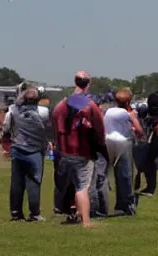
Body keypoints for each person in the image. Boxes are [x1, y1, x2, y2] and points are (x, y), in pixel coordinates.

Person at [51, 71, 108, 228]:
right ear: (88, 84)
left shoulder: (61, 105)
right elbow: (100, 127)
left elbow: (55, 122)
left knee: (70, 184)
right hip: (82, 150)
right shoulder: (90, 105)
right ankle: (86, 221)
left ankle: (75, 213)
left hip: (64, 150)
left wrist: (58, 142)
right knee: (82, 187)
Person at [3, 87, 49, 222]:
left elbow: (6, 127)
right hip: (35, 150)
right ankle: (34, 213)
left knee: (16, 182)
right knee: (34, 182)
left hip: (17, 149)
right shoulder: (44, 112)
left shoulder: (13, 110)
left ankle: (16, 213)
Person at [104, 87, 144, 215]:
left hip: (108, 141)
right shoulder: (127, 114)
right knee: (125, 174)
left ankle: (107, 204)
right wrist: (134, 120)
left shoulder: (109, 111)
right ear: (127, 102)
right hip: (123, 143)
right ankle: (126, 204)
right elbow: (140, 131)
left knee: (111, 174)